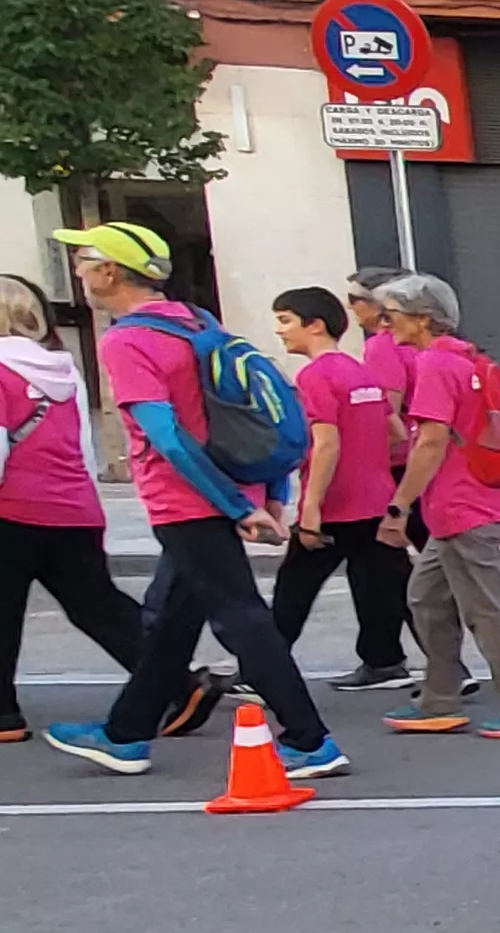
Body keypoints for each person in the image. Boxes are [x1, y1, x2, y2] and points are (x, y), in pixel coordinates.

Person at [38, 224, 347, 779]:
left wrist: (234, 505)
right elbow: (257, 402)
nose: (78, 269)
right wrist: (268, 491)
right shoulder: (196, 322)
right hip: (226, 488)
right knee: (171, 623)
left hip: (189, 499)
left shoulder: (127, 341)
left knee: (241, 618)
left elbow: (167, 434)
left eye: (83, 259)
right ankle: (125, 735)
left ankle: (310, 740)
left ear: (110, 271)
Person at [374, 272, 500, 739]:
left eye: (392, 316)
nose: (384, 325)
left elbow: (432, 442)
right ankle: (440, 696)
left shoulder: (436, 367)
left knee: (489, 609)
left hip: (462, 508)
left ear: (422, 319)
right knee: (426, 597)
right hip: (471, 505)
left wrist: (399, 506)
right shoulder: (468, 360)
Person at [0, 274, 140, 743]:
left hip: (14, 507)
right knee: (98, 606)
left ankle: (4, 715)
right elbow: (81, 441)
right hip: (72, 504)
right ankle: (176, 683)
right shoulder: (62, 368)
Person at [264, 285, 415, 691]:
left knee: (294, 587)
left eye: (285, 321)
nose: (280, 331)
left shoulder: (315, 375)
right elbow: (396, 431)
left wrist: (311, 505)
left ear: (315, 325)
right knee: (382, 583)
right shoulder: (359, 370)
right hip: (376, 496)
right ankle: (388, 662)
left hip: (338, 503)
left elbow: (327, 442)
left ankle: (264, 669)